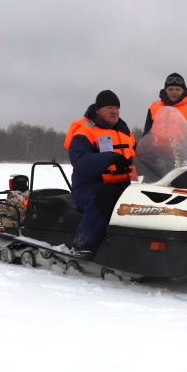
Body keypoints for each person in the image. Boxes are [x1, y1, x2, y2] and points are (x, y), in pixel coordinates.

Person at [64, 90, 136, 260]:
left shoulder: (125, 132)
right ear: (98, 110)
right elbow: (80, 161)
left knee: (140, 198)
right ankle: (83, 245)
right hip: (88, 188)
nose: (114, 111)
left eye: (117, 107)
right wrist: (110, 158)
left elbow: (140, 155)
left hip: (121, 186)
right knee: (107, 195)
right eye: (109, 107)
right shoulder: (85, 131)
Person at [142, 73, 187, 144]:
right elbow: (146, 134)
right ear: (166, 90)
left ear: (183, 90)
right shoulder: (154, 106)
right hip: (156, 153)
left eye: (177, 89)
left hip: (182, 153)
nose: (174, 92)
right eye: (170, 89)